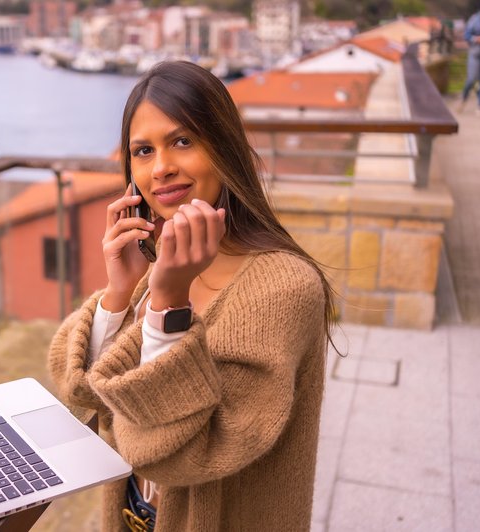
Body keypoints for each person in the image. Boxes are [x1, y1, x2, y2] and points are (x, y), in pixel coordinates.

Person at [48, 60, 336, 531]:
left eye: (183, 141)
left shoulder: (285, 287)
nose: (161, 167)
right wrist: (120, 294)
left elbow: (179, 455)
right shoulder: (162, 265)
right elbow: (82, 392)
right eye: (143, 150)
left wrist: (166, 306)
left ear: (223, 148)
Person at [458, 1, 480, 115]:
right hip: (475, 52)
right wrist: (479, 39)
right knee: (471, 78)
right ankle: (464, 98)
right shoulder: (475, 19)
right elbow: (467, 35)